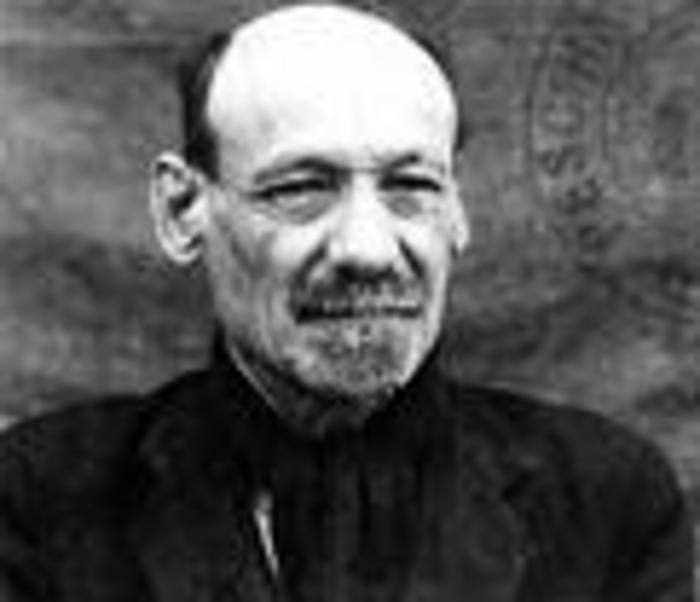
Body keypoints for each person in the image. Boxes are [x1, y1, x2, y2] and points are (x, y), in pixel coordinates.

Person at [0, 3, 693, 601]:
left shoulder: (609, 500)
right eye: (300, 188)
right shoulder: (36, 496)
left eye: (411, 186)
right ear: (181, 209)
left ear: (456, 212)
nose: (368, 249)